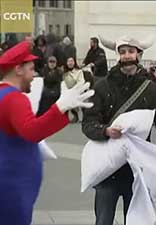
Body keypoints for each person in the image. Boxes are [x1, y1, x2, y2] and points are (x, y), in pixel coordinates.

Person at [82, 34, 156, 225]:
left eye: (131, 51)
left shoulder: (151, 89)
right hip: (107, 167)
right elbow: (88, 123)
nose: (127, 56)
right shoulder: (102, 86)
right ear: (117, 56)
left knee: (136, 221)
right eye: (122, 52)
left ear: (139, 55)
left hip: (138, 170)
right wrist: (105, 131)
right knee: (103, 220)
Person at [0, 41, 94, 225]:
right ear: (18, 69)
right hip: (11, 189)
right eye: (31, 69)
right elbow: (31, 131)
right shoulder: (14, 98)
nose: (34, 75)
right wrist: (60, 107)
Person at [63, 57, 85, 122]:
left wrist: (74, 89)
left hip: (77, 91)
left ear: (74, 62)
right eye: (68, 61)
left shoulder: (79, 72)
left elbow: (81, 82)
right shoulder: (64, 73)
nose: (70, 63)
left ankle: (80, 116)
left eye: (71, 61)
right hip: (67, 92)